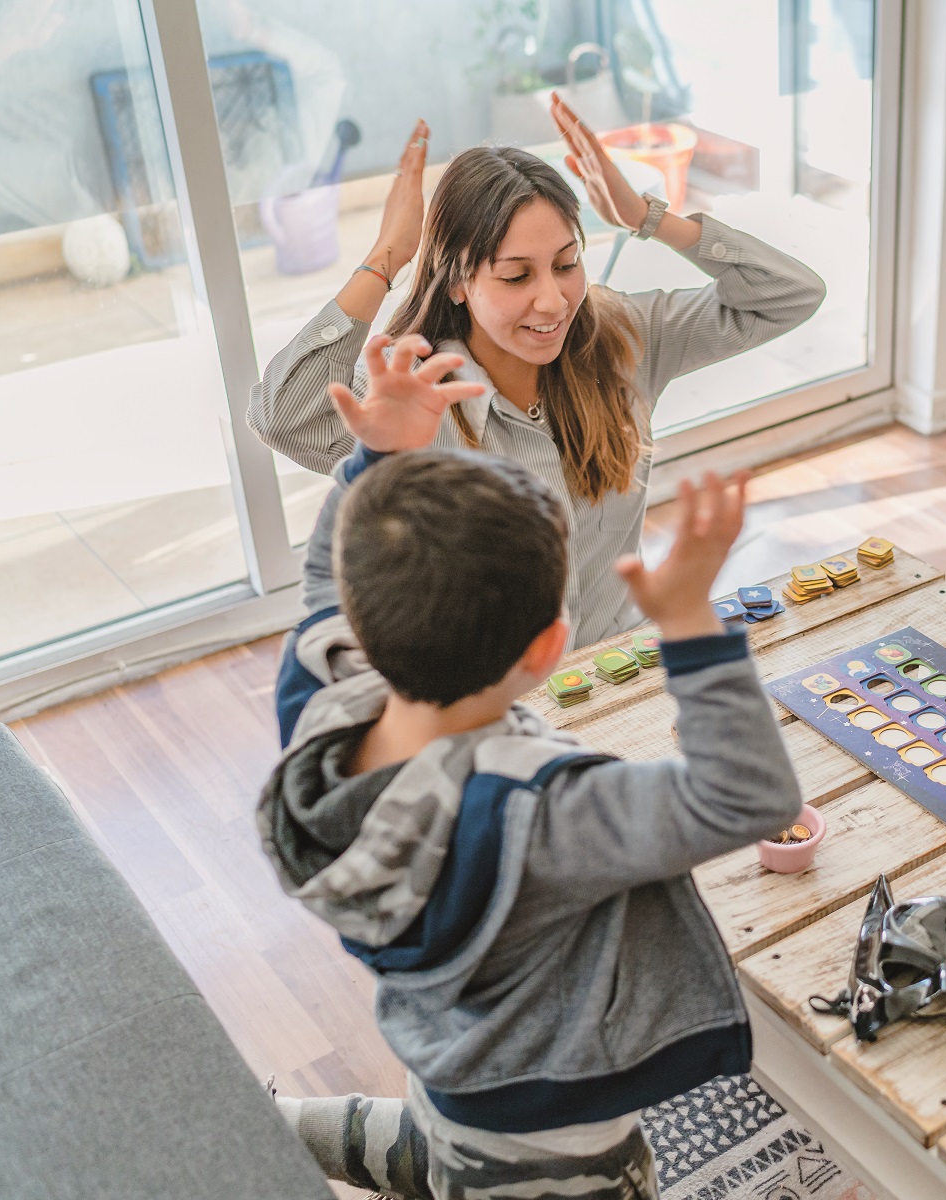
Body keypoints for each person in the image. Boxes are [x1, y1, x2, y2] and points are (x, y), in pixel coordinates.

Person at [256, 352, 802, 1198]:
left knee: (437, 1149)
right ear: (552, 649)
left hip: (449, 1053)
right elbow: (748, 799)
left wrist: (379, 458)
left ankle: (276, 1128)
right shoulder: (540, 814)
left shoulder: (323, 700)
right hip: (558, 1155)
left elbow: (328, 580)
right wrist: (691, 622)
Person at [249, 97, 826, 647]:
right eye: (516, 276)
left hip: (617, 666)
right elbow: (282, 417)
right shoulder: (415, 393)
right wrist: (388, 257)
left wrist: (649, 217)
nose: (553, 301)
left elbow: (789, 296)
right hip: (492, 698)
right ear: (458, 281)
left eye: (567, 264)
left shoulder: (624, 334)